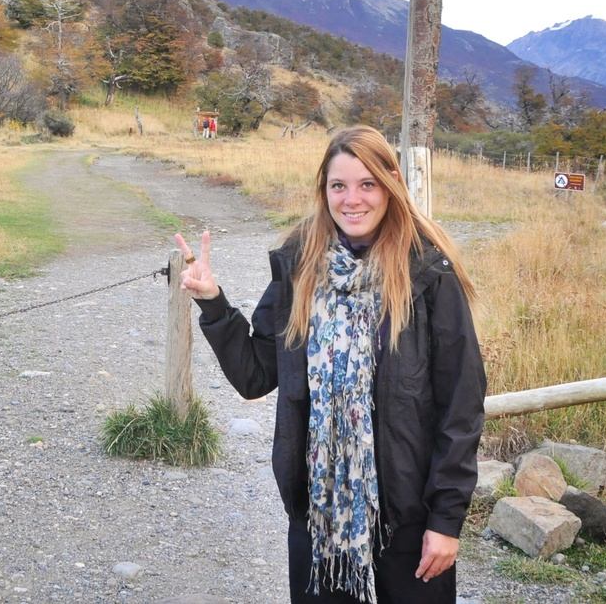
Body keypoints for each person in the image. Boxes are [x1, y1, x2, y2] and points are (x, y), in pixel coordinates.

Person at [177, 125, 485, 604]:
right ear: (324, 191)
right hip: (319, 519)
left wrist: (446, 521)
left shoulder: (427, 275)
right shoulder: (301, 268)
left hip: (407, 521)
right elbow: (257, 375)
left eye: (367, 184)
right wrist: (214, 303)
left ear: (390, 187)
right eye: (338, 185)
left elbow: (460, 406)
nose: (352, 200)